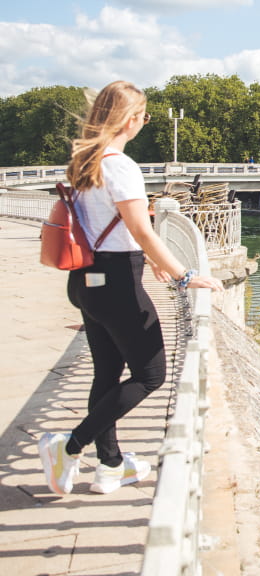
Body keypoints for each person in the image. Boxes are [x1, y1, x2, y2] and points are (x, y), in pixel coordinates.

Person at [38, 81, 223, 497]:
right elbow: (142, 230)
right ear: (130, 119)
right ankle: (67, 447)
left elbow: (113, 229)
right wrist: (183, 275)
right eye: (144, 115)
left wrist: (155, 263)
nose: (145, 122)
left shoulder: (85, 161)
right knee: (151, 374)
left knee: (107, 374)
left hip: (88, 280)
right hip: (116, 283)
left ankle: (110, 466)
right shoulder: (121, 166)